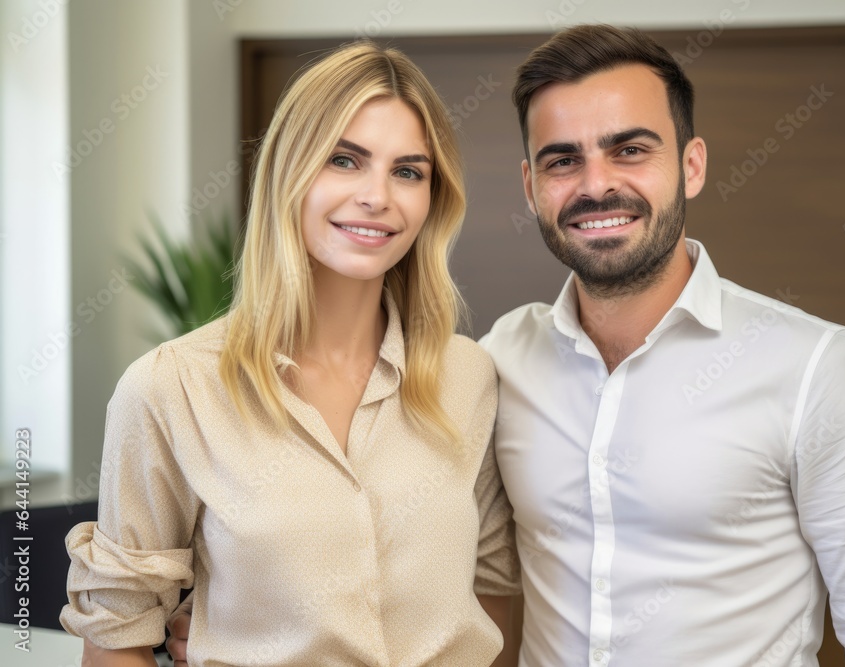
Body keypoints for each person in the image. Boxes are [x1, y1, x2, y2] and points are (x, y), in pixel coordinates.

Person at [476, 24, 845, 665]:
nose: (596, 186)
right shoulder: (502, 357)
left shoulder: (819, 370)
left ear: (691, 165)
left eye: (630, 150)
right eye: (564, 160)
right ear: (532, 187)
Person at [60, 40, 519, 667]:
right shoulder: (172, 389)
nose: (377, 196)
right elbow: (116, 640)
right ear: (289, 171)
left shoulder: (468, 377)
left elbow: (494, 590)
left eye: (408, 171)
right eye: (345, 160)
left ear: (432, 199)